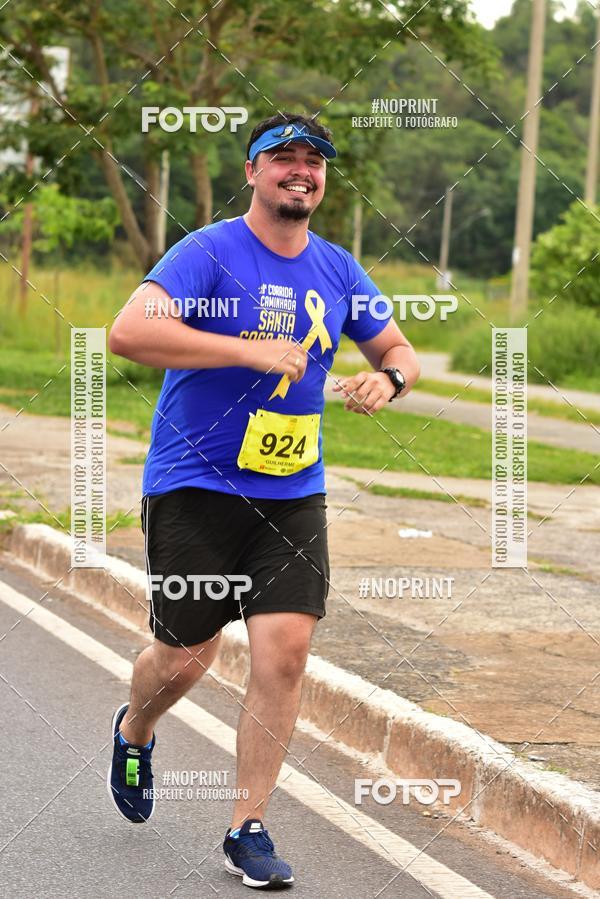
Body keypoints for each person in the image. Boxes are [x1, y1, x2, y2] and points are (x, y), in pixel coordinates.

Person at [107, 111, 419, 889]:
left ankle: (247, 825)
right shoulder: (209, 251)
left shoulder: (340, 269)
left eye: (313, 161)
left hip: (291, 495)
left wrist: (388, 379)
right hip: (194, 484)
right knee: (185, 656)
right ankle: (136, 725)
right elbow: (128, 331)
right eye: (283, 158)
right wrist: (247, 349)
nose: (300, 170)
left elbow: (397, 347)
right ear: (252, 171)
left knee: (285, 653)